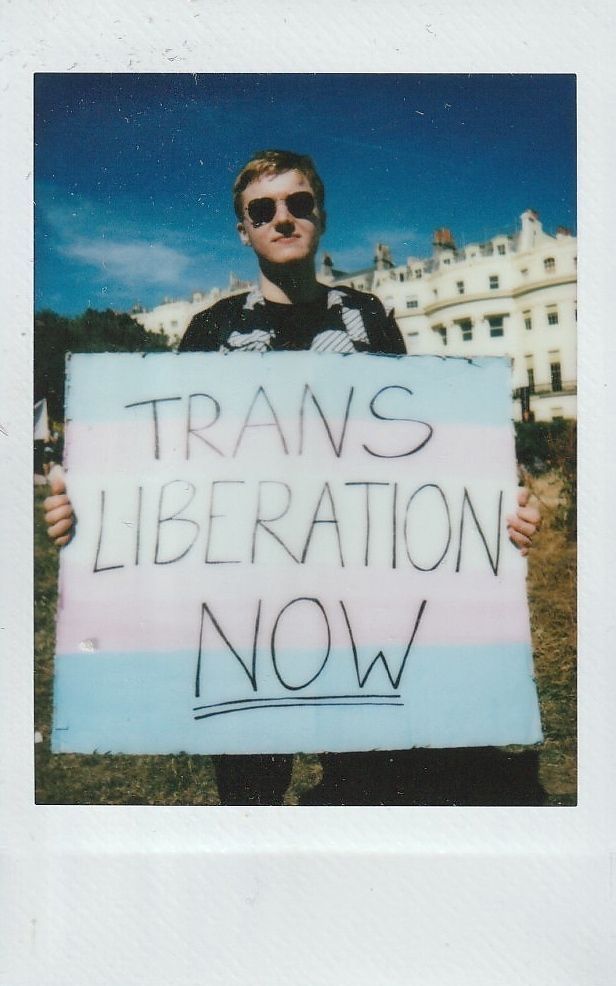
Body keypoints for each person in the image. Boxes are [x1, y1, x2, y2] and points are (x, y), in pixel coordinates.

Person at [44, 149, 542, 805]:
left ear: (321, 216)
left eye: (298, 203)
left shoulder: (367, 318)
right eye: (263, 210)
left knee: (365, 778)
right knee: (248, 784)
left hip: (356, 592)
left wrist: (498, 505)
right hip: (238, 600)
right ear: (243, 231)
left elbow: (416, 451)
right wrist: (86, 512)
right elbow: (161, 464)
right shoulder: (212, 330)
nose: (283, 218)